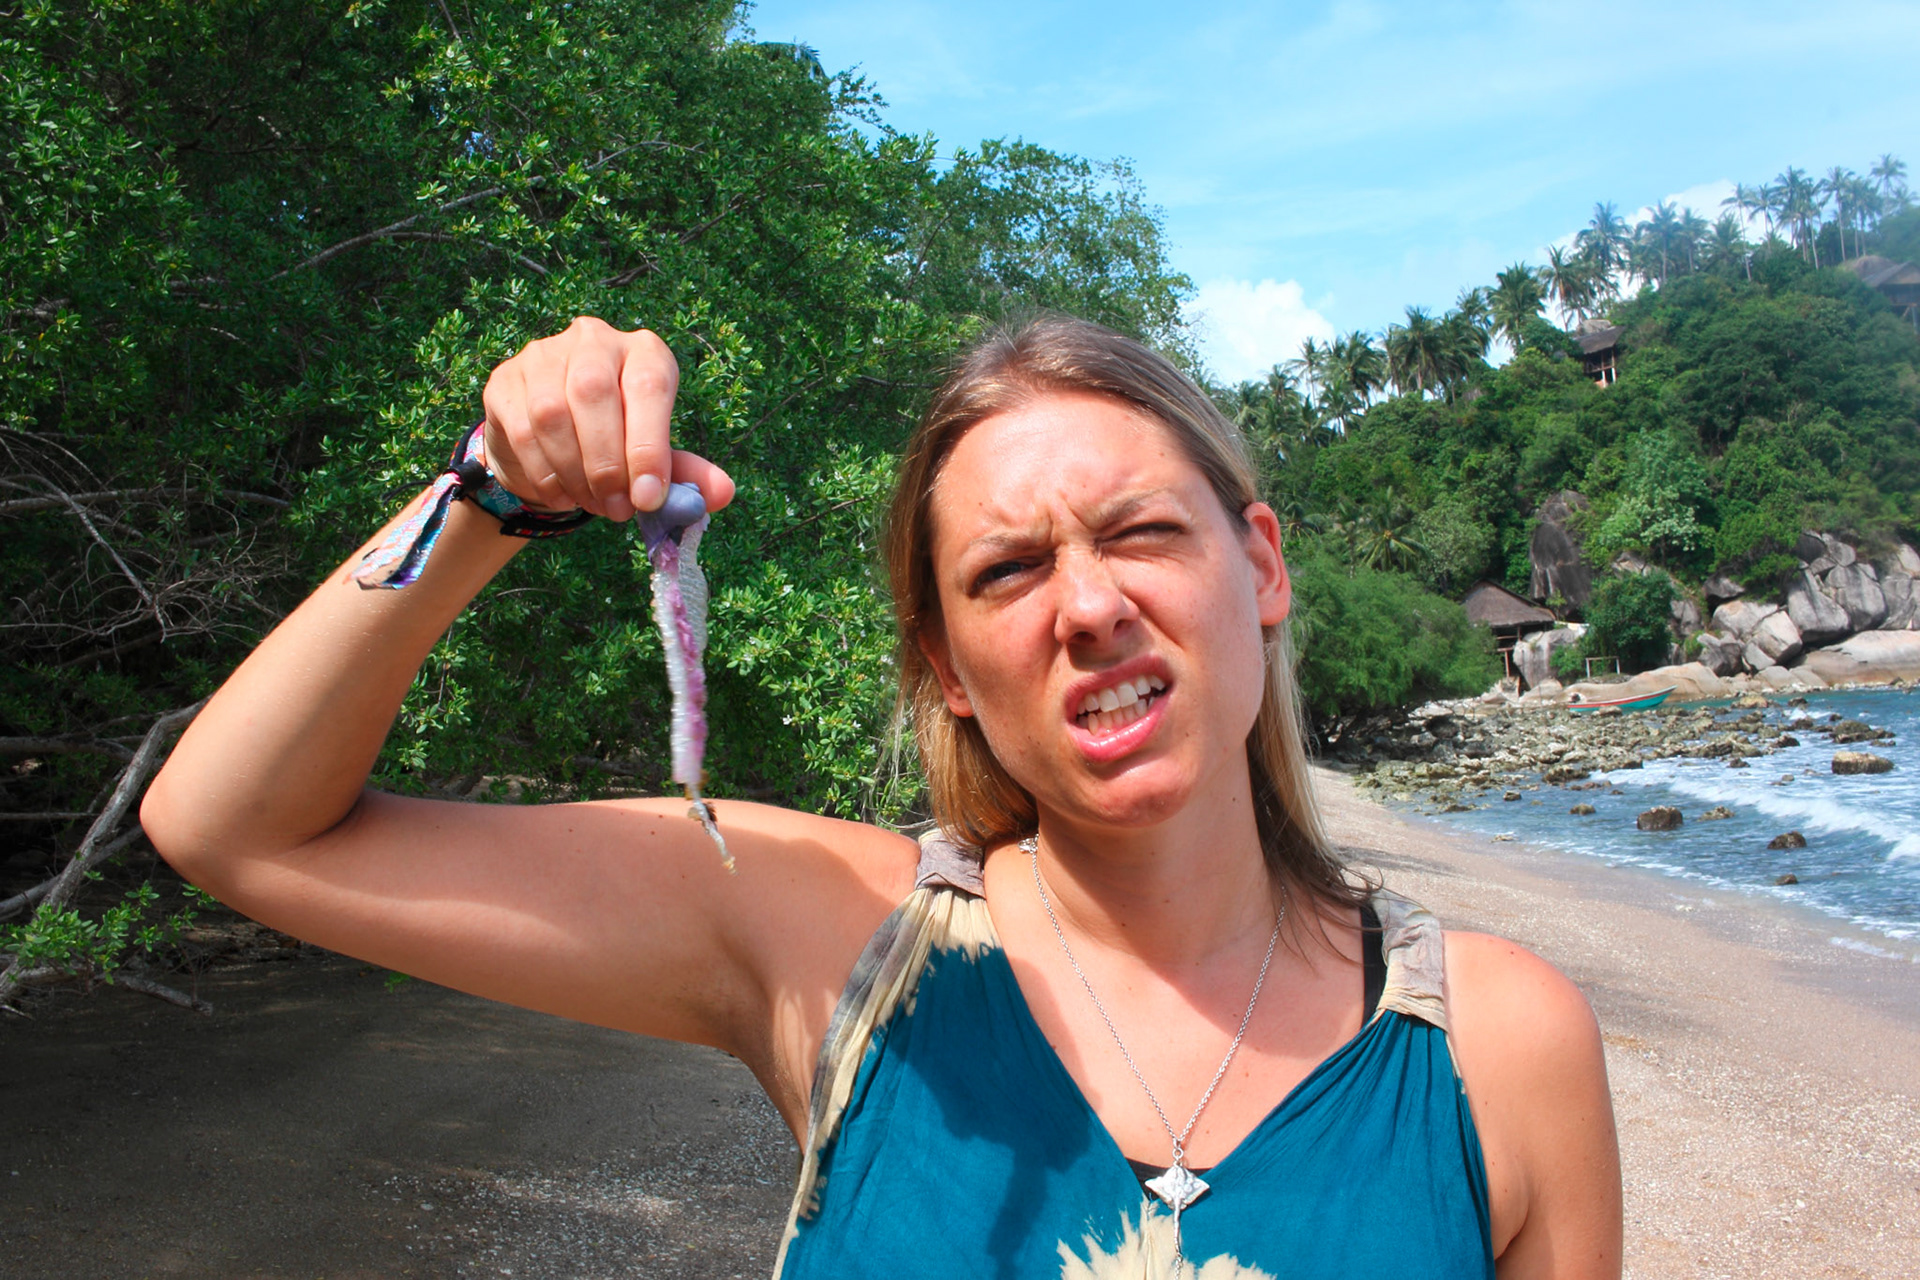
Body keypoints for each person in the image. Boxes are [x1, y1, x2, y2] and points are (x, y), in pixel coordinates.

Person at [143, 314, 1621, 1278]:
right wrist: (487, 495)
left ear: (1263, 568)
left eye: (1140, 532)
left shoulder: (1497, 1047)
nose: (1089, 604)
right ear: (948, 668)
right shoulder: (831, 934)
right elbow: (233, 826)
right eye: (1009, 569)